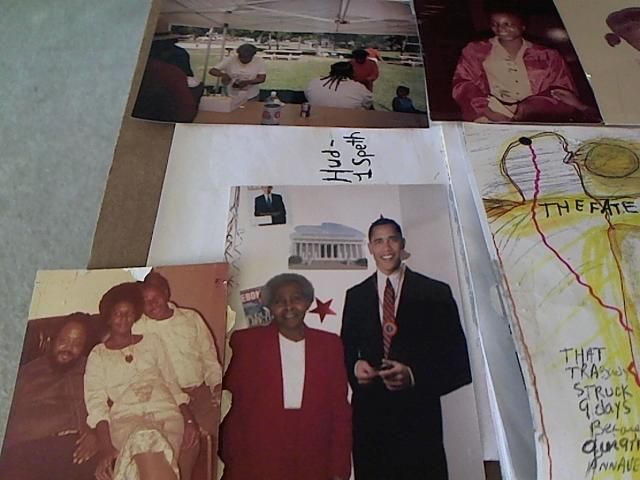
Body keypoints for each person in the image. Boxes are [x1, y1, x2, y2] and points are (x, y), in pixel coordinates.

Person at [341, 217, 472, 479]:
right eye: (379, 241)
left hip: (419, 427)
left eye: (392, 239)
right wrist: (355, 367)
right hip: (371, 429)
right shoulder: (355, 296)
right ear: (370, 248)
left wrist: (413, 376)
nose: (386, 247)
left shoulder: (435, 292)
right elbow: (344, 353)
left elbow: (459, 364)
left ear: (402, 244)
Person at [220, 273, 352, 480]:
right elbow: (234, 399)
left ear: (307, 302)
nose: (288, 306)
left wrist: (339, 469)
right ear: (269, 307)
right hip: (258, 456)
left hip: (314, 457)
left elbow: (340, 411)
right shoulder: (247, 342)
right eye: (279, 301)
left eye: (296, 299)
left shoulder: (329, 344)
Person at [84, 282, 198, 480]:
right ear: (108, 317)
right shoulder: (98, 355)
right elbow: (97, 406)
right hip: (126, 420)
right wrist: (105, 449)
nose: (124, 317)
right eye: (117, 313)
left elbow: (172, 384)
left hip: (166, 415)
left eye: (129, 313)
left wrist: (189, 421)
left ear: (136, 315)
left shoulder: (152, 341)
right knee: (144, 438)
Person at [133, 270, 223, 480]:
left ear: (166, 293)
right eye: (145, 302)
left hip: (200, 392)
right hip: (168, 400)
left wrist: (218, 386)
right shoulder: (139, 328)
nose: (152, 304)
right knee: (186, 442)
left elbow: (209, 358)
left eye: (155, 297)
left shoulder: (191, 318)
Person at [0, 313, 99, 479]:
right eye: (63, 340)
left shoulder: (92, 369)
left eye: (77, 344)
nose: (68, 348)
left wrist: (97, 434)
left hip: (79, 449)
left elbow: (111, 405)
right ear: (52, 339)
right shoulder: (25, 373)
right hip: (28, 451)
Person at [452, 6, 581, 123]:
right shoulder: (475, 50)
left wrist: (530, 108)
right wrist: (486, 111)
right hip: (490, 115)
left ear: (523, 25)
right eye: (495, 24)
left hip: (536, 117)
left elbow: (562, 88)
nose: (500, 29)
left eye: (507, 24)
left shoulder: (548, 55)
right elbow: (463, 83)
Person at [305, 62, 373, 110]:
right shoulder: (359, 88)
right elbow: (368, 104)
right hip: (349, 121)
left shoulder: (315, 82)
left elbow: (308, 96)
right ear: (351, 73)